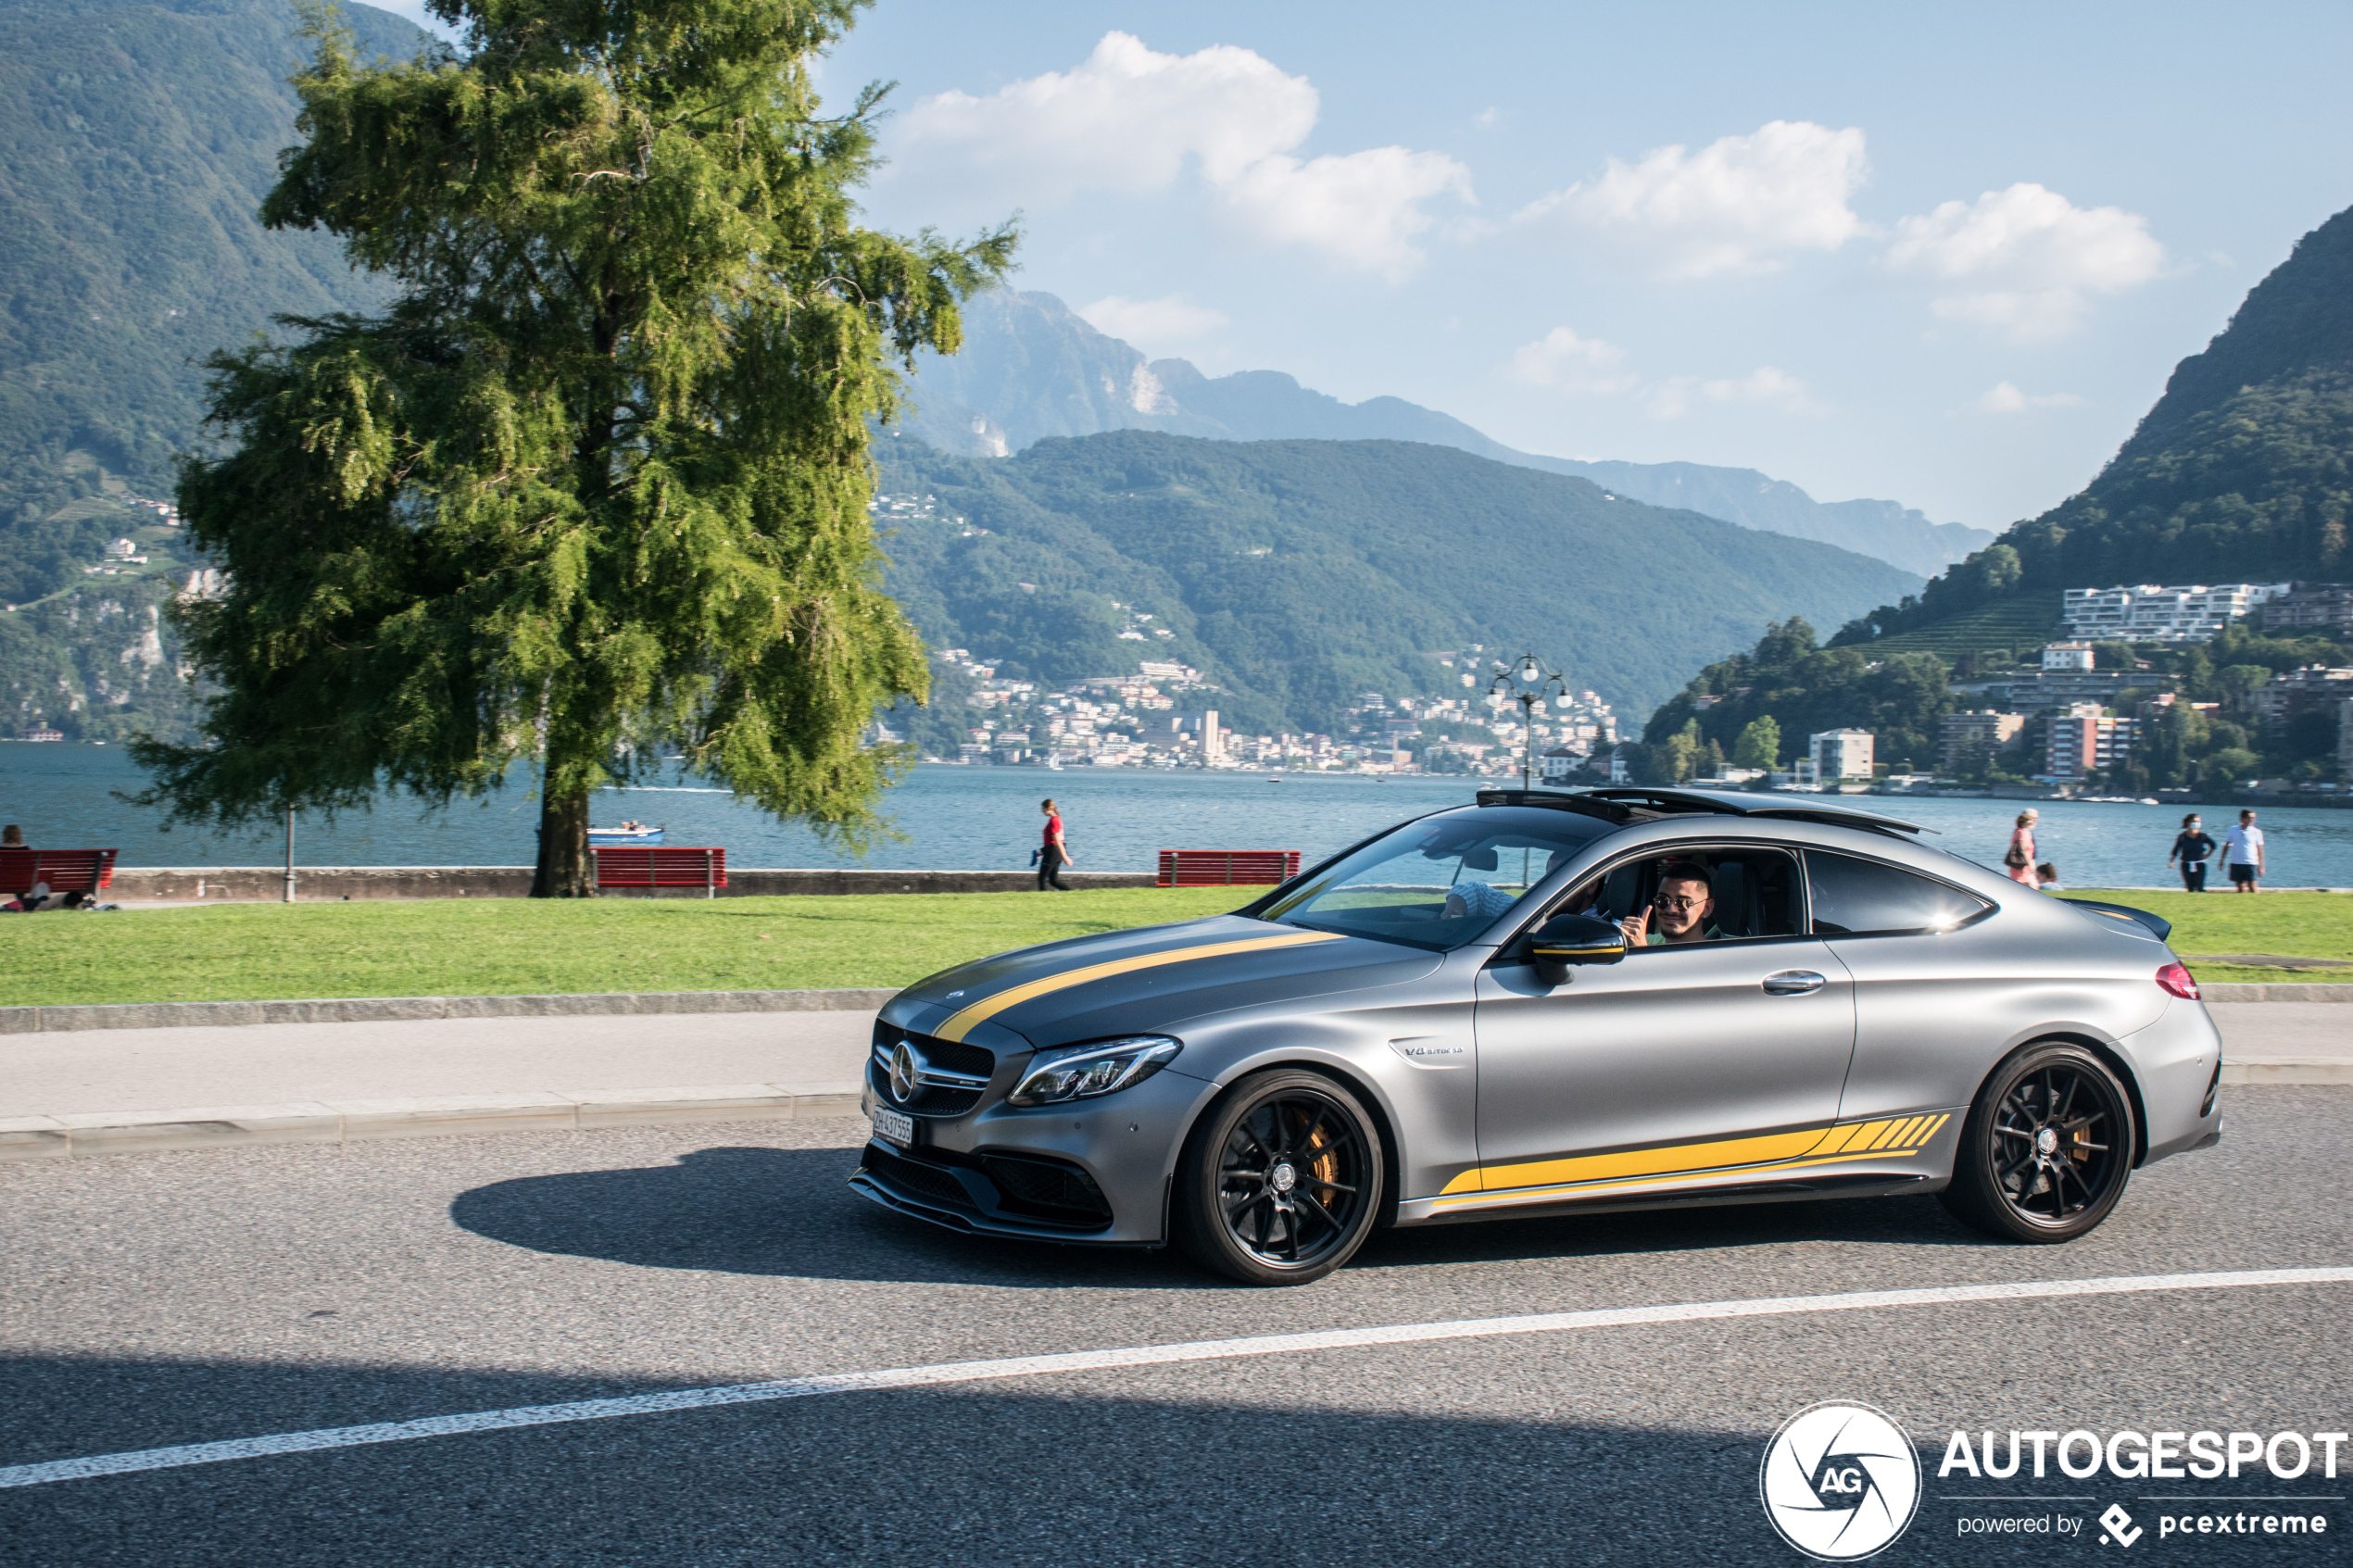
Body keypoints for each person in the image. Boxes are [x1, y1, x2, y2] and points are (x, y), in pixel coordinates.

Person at [1618, 863, 1720, 947]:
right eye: (1662, 900)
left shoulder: (1711, 958)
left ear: (1706, 909)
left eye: (1683, 903)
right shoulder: (1643, 939)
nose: (1670, 910)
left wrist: (1641, 951)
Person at [2168, 813, 2216, 894]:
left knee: (2200, 887)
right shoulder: (2182, 836)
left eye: (2198, 822)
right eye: (2195, 821)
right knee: (2190, 888)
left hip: (2199, 864)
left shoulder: (2202, 836)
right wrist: (2171, 861)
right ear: (2188, 823)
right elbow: (2176, 849)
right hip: (2186, 864)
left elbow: (2213, 845)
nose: (2197, 823)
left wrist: (2207, 855)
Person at [2223, 809, 2265, 893]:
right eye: (2249, 818)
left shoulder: (2257, 832)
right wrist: (2222, 860)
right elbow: (2227, 845)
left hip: (2251, 863)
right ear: (2242, 818)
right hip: (2236, 862)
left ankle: (2256, 902)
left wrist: (2262, 866)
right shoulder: (2233, 829)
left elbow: (2260, 850)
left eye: (2253, 818)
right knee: (2240, 886)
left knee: (2252, 886)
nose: (2251, 820)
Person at [1037, 797, 1074, 891]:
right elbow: (1052, 841)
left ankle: (1042, 901)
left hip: (1053, 852)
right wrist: (1042, 851)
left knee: (1042, 878)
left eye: (1043, 810)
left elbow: (1058, 841)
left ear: (1048, 809)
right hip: (1053, 851)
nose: (1042, 812)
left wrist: (1065, 857)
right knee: (1053, 880)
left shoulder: (1054, 821)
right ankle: (1071, 893)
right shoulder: (1056, 819)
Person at [2002, 809, 2039, 886]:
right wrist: (2029, 864)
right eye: (2033, 819)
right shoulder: (2021, 832)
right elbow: (2022, 850)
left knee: (2032, 887)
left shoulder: (2026, 832)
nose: (2035, 821)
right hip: (2021, 866)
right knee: (2028, 888)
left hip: (2025, 866)